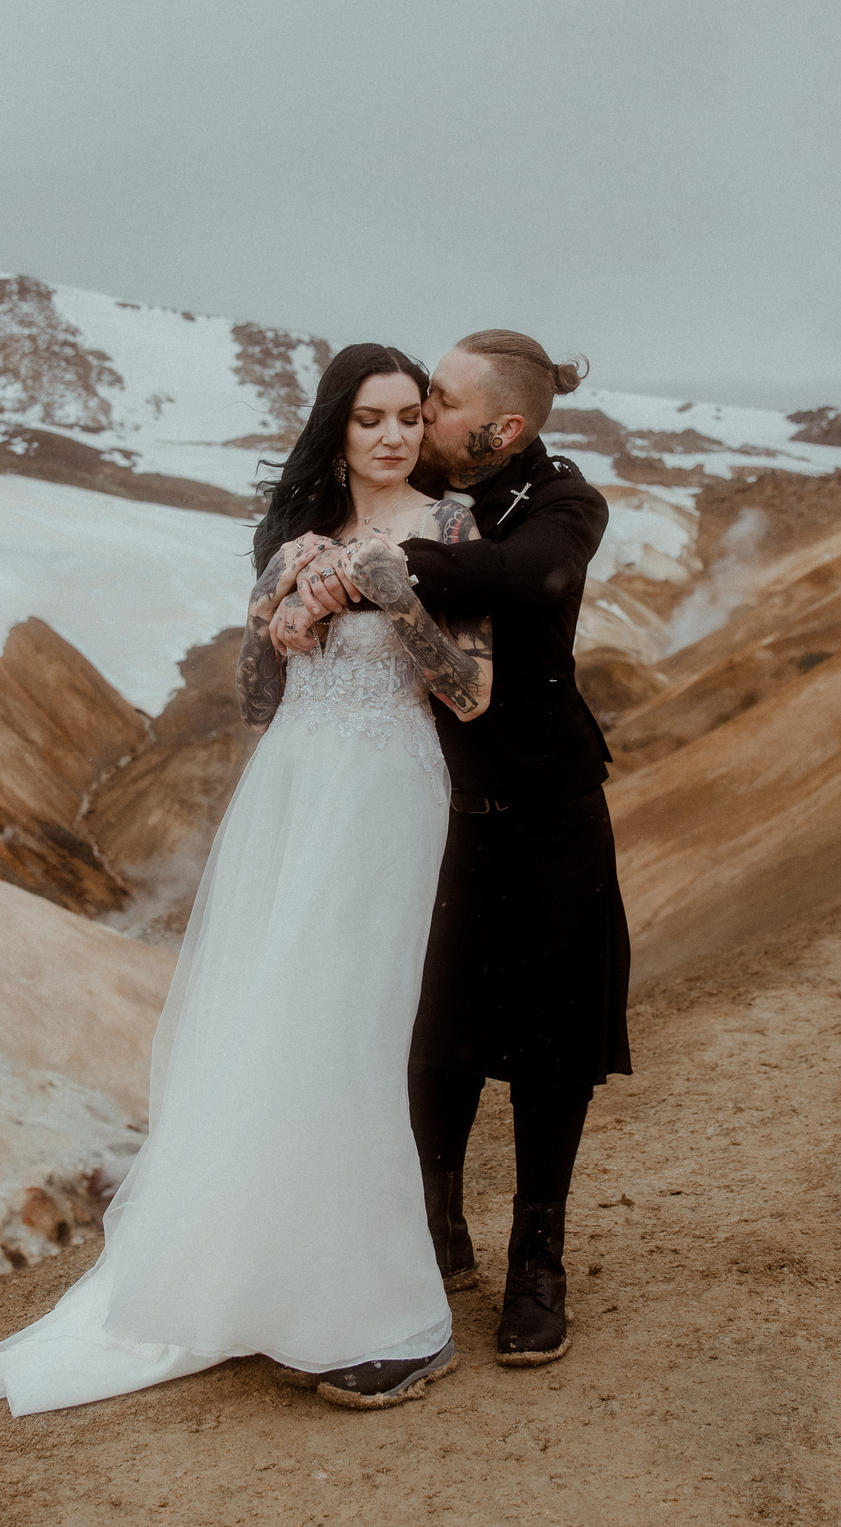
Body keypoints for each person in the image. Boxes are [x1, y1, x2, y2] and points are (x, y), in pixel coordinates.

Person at [0, 343, 496, 1416]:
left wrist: (397, 596)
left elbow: (472, 691)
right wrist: (272, 593)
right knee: (274, 1025)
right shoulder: (303, 533)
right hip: (291, 788)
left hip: (386, 794)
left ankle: (375, 1309)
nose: (394, 436)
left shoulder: (452, 531)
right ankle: (268, 1281)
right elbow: (261, 695)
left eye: (408, 416)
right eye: (370, 419)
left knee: (350, 1031)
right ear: (336, 431)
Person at [286, 328, 628, 1370]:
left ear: (503, 427)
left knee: (554, 1044)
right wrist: (314, 571)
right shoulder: (427, 489)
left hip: (549, 808)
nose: (420, 416)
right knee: (432, 1021)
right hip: (434, 810)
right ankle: (437, 1229)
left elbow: (519, 578)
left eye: (438, 401)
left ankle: (538, 1260)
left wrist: (380, 567)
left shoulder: (566, 505)